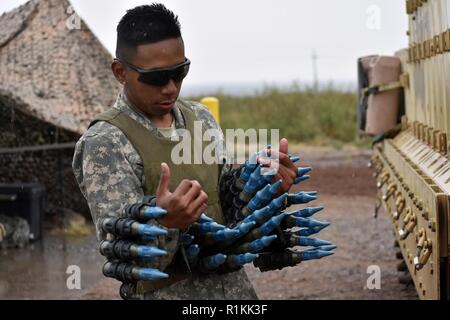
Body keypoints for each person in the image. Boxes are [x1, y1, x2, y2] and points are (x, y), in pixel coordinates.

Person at [72, 3, 302, 300]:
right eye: (156, 78)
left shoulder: (201, 118)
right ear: (120, 72)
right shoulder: (105, 143)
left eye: (179, 72)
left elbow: (227, 209)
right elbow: (126, 260)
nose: (170, 88)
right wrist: (166, 223)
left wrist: (264, 187)